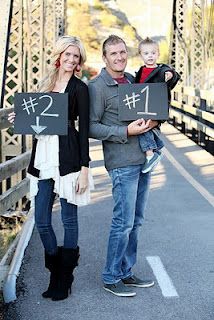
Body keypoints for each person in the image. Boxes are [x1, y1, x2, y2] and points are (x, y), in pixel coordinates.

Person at [8, 35, 93, 301]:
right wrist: (17, 117)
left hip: (67, 157)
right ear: (58, 56)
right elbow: (35, 118)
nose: (70, 60)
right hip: (43, 156)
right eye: (67, 54)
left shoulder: (80, 89)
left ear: (79, 61)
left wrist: (85, 169)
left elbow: (84, 131)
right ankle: (54, 269)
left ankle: (64, 277)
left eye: (75, 56)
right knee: (42, 220)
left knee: (69, 219)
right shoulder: (45, 83)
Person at [88, 35, 157, 297]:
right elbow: (92, 127)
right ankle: (110, 275)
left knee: (136, 221)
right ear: (104, 58)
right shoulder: (98, 87)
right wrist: (125, 131)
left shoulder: (131, 80)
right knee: (123, 223)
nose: (119, 57)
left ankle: (126, 272)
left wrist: (151, 122)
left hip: (142, 160)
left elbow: (145, 110)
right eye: (113, 54)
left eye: (122, 52)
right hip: (121, 163)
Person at [136, 37, 180, 173]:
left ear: (158, 54)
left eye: (153, 53)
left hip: (156, 106)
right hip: (144, 105)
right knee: (143, 128)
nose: (150, 56)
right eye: (146, 53)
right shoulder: (141, 71)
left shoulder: (162, 69)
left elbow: (174, 75)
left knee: (142, 129)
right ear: (141, 55)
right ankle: (157, 147)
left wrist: (170, 75)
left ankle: (151, 155)